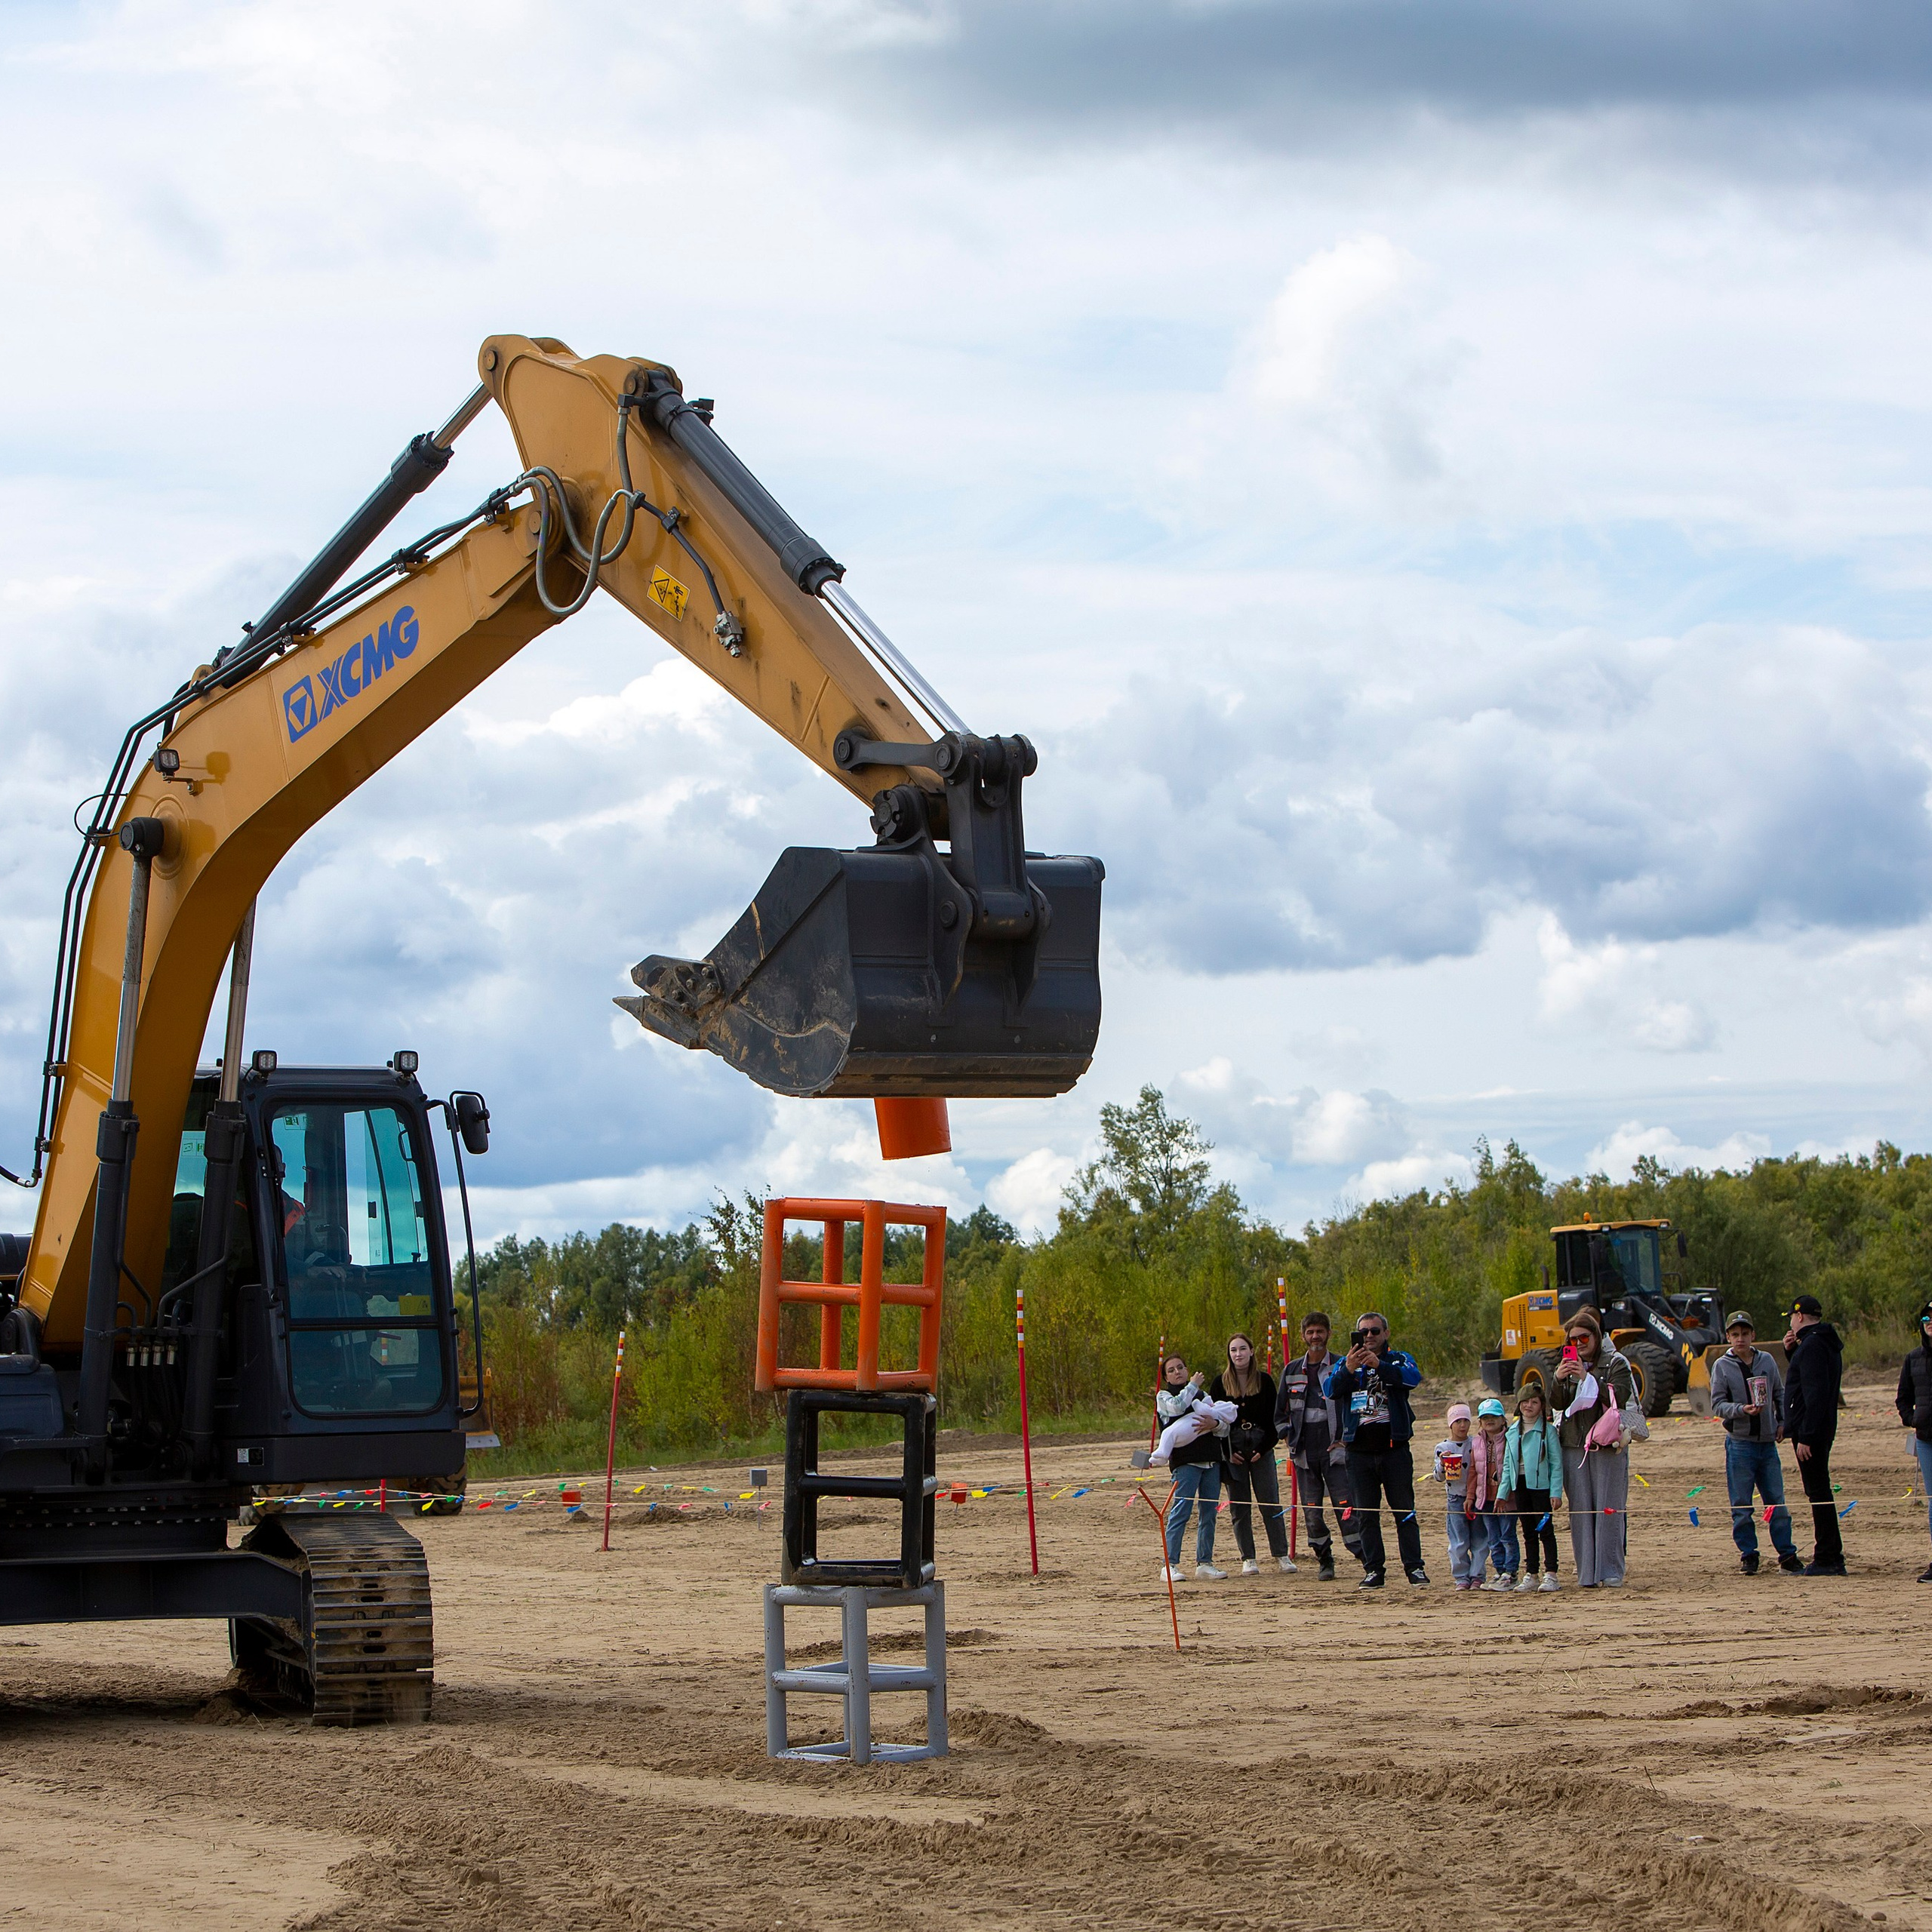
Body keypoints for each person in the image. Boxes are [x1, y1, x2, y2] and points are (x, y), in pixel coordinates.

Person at [1324, 1312, 1428, 1589]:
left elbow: (1412, 1378)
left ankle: (1414, 1568)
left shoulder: (1398, 1358)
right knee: (1366, 1514)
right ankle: (1373, 1570)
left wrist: (1380, 1365)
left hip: (1394, 1449)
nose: (1369, 1336)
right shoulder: (1346, 1362)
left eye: (1375, 1331)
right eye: (1364, 1332)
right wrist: (1348, 1368)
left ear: (1386, 1333)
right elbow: (1330, 1390)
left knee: (1404, 1511)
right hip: (1358, 1452)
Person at [1709, 1309, 1802, 1577]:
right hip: (1740, 1443)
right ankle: (1749, 1555)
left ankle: (1787, 1554)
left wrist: (1783, 1422)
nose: (1740, 1339)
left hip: (1767, 1443)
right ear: (1728, 1337)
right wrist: (1741, 1409)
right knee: (1741, 1504)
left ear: (1753, 1335)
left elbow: (1779, 1393)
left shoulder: (1767, 1361)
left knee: (1777, 1501)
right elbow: (1717, 1404)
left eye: (1745, 1334)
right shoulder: (1722, 1366)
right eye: (1735, 1335)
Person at [1552, 1309, 1637, 1588]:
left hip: (1607, 1444)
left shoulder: (1615, 1362)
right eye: (1573, 1340)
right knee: (1581, 1512)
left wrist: (1589, 1380)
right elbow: (1558, 1403)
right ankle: (1587, 1573)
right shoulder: (1566, 1364)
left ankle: (1610, 1570)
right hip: (1573, 1444)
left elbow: (1620, 1397)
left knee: (1609, 1509)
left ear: (1596, 1336)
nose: (1578, 1344)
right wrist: (1558, 1379)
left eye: (1584, 1337)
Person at [1276, 1310, 1363, 1581]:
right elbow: (1279, 1413)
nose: (1316, 1337)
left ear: (1329, 1334)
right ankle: (1324, 1559)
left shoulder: (1342, 1365)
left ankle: (1365, 1556)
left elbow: (1355, 1403)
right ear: (1303, 1336)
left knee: (1346, 1508)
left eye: (1320, 1331)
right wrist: (1288, 1435)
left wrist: (1348, 1437)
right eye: (1311, 1332)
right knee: (1312, 1513)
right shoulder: (1291, 1371)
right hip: (1303, 1454)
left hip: (1336, 1451)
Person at [1211, 1333, 1296, 1575]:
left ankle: (1281, 1555)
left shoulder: (1265, 1381)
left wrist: (1264, 1449)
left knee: (1270, 1502)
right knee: (1240, 1507)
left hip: (1262, 1448)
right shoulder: (1220, 1383)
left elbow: (1274, 1420)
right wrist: (1229, 1452)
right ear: (1229, 1354)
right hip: (1233, 1450)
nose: (1238, 1354)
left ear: (1251, 1351)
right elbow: (1215, 1422)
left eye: (1242, 1349)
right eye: (1233, 1350)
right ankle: (1248, 1558)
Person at [1782, 1293, 1846, 1577]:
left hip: (1813, 1433)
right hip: (1820, 1428)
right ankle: (1829, 1554)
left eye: (1792, 1320)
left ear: (1799, 1317)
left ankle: (1828, 1557)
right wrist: (1792, 1353)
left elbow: (1815, 1393)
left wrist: (1805, 1435)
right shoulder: (1820, 1343)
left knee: (1818, 1492)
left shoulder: (1813, 1346)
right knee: (1819, 1491)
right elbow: (1808, 1380)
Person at [1155, 1354, 1226, 1581]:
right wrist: (1193, 1386)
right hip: (1186, 1464)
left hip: (1211, 1461)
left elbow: (1222, 1423)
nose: (1177, 1372)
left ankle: (1204, 1562)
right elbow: (1177, 1408)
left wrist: (1214, 1424)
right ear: (1166, 1376)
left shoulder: (1202, 1395)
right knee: (1181, 1512)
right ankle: (1170, 1564)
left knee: (1209, 1514)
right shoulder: (1164, 1396)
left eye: (1181, 1368)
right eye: (1172, 1370)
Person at [1500, 1383, 1564, 1592]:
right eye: (1525, 1401)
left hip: (1542, 1488)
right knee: (1528, 1531)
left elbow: (1556, 1465)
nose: (1529, 1405)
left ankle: (1551, 1574)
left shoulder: (1549, 1432)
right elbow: (1508, 1467)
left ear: (1541, 1406)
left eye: (1534, 1402)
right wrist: (1503, 1493)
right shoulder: (1511, 1433)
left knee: (1545, 1530)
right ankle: (1532, 1573)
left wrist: (1555, 1492)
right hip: (1521, 1487)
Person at [1896, 1299, 1932, 1583]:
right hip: (1926, 1439)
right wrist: (1912, 1419)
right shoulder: (1913, 1358)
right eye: (1925, 1319)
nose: (1930, 1322)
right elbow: (1903, 1398)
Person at [1431, 1403, 1486, 1589]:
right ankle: (1461, 1576)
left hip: (1478, 1497)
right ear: (1450, 1424)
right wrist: (1443, 1464)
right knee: (1458, 1540)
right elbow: (1438, 1477)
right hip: (1455, 1497)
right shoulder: (1442, 1447)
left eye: (1465, 1421)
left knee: (1480, 1539)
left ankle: (1477, 1575)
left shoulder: (1476, 1442)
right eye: (1458, 1421)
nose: (1462, 1425)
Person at [1467, 1397, 1516, 1593]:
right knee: (1493, 1538)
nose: (1490, 1421)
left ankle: (1510, 1573)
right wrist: (1471, 1496)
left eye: (1494, 1417)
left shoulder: (1511, 1438)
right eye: (1485, 1417)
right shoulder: (1477, 1442)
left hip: (1506, 1499)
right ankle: (1499, 1570)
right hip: (1484, 1498)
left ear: (1503, 1419)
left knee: (1507, 1536)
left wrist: (1506, 1495)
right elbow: (1473, 1470)